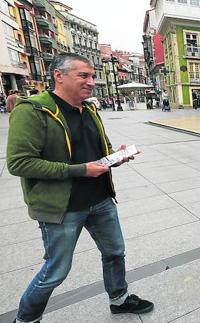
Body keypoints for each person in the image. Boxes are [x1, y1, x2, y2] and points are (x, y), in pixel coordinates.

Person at [6, 53, 154, 323]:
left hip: (100, 200)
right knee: (56, 271)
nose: (91, 82)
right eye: (83, 75)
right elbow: (19, 163)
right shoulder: (33, 110)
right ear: (58, 76)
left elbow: (100, 152)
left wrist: (115, 156)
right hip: (62, 207)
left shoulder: (90, 109)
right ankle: (26, 319)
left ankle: (119, 299)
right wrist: (80, 170)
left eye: (93, 76)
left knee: (114, 252)